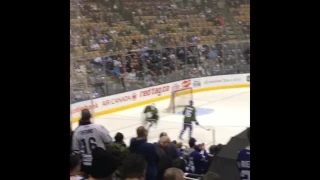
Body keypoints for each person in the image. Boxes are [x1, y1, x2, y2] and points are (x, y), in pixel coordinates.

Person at [72, 109, 113, 175]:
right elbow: (109, 141)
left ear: (81, 117)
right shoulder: (99, 128)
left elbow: (75, 151)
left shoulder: (77, 131)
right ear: (90, 116)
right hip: (100, 161)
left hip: (86, 164)